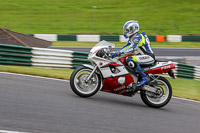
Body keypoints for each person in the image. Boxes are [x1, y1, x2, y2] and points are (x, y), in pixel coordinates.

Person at [110, 20, 155, 86]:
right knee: (123, 59)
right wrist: (114, 53)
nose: (125, 32)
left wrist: (117, 53)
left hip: (148, 57)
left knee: (130, 59)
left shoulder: (138, 37)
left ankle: (145, 77)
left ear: (132, 30)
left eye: (127, 30)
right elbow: (125, 48)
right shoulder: (132, 38)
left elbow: (131, 49)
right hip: (142, 57)